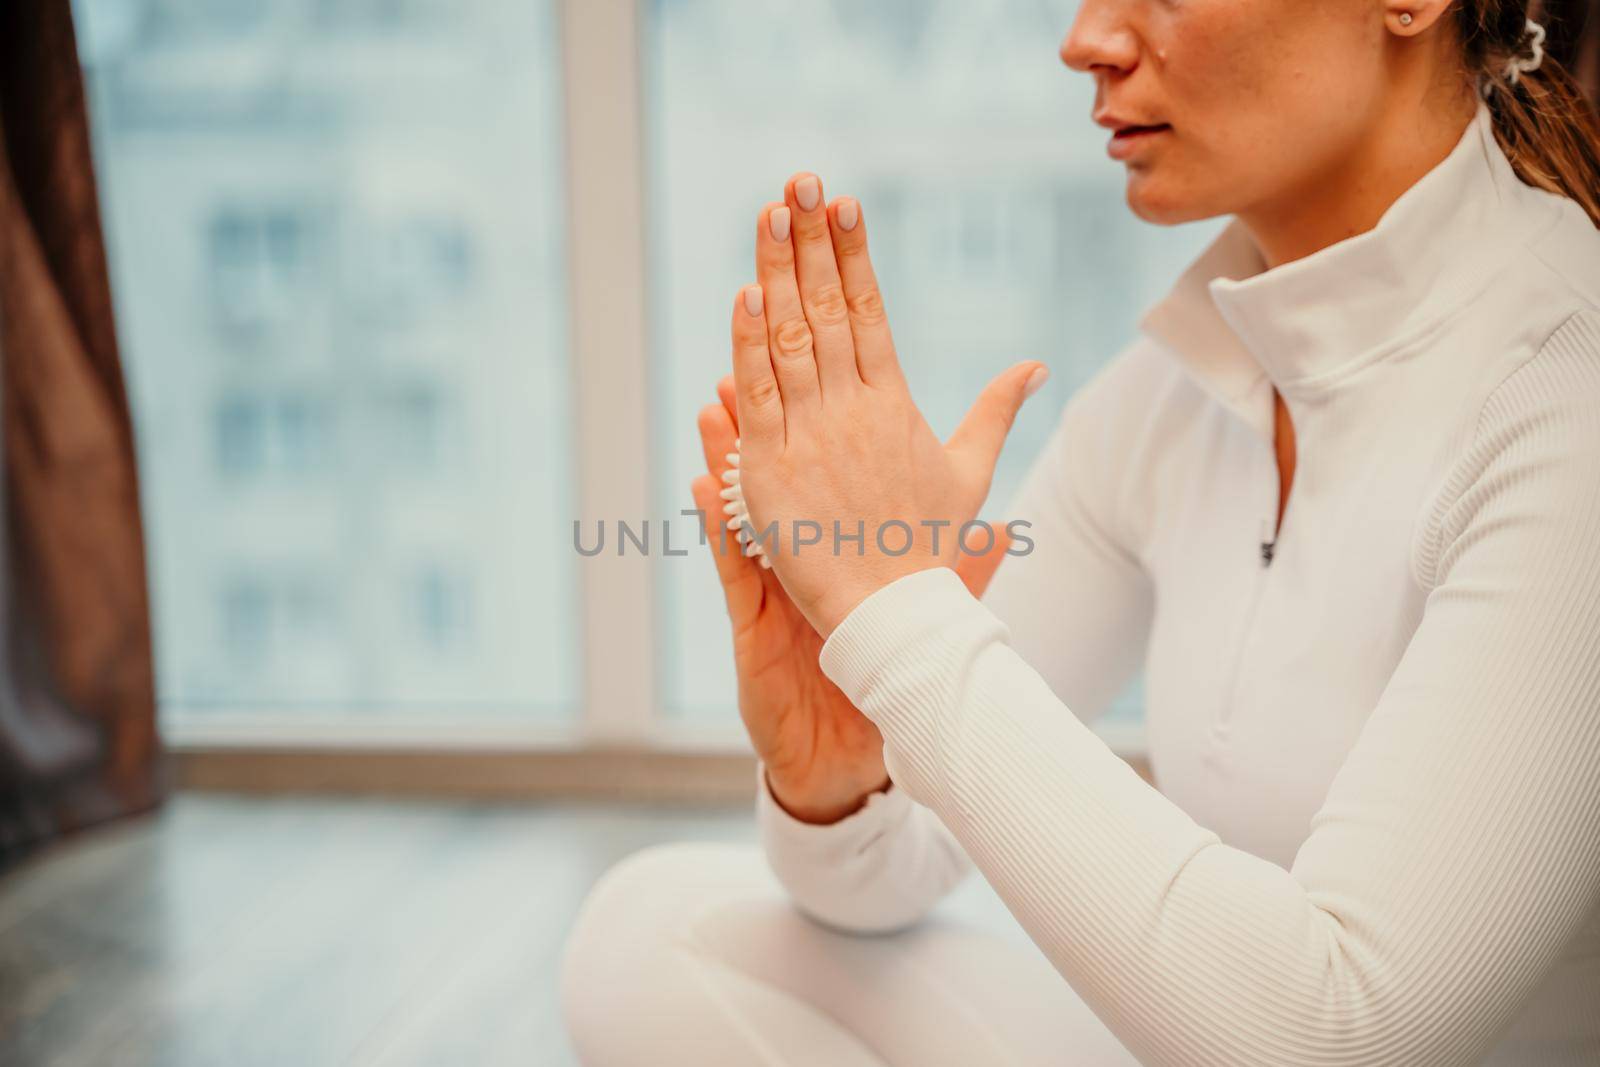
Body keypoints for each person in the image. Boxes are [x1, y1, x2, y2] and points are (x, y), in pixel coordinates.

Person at [562, 1, 1600, 1063]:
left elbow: (1336, 1033)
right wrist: (840, 766)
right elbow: (886, 870)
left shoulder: (1565, 393)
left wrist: (896, 610)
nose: (1084, 38)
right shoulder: (1174, 392)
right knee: (646, 932)